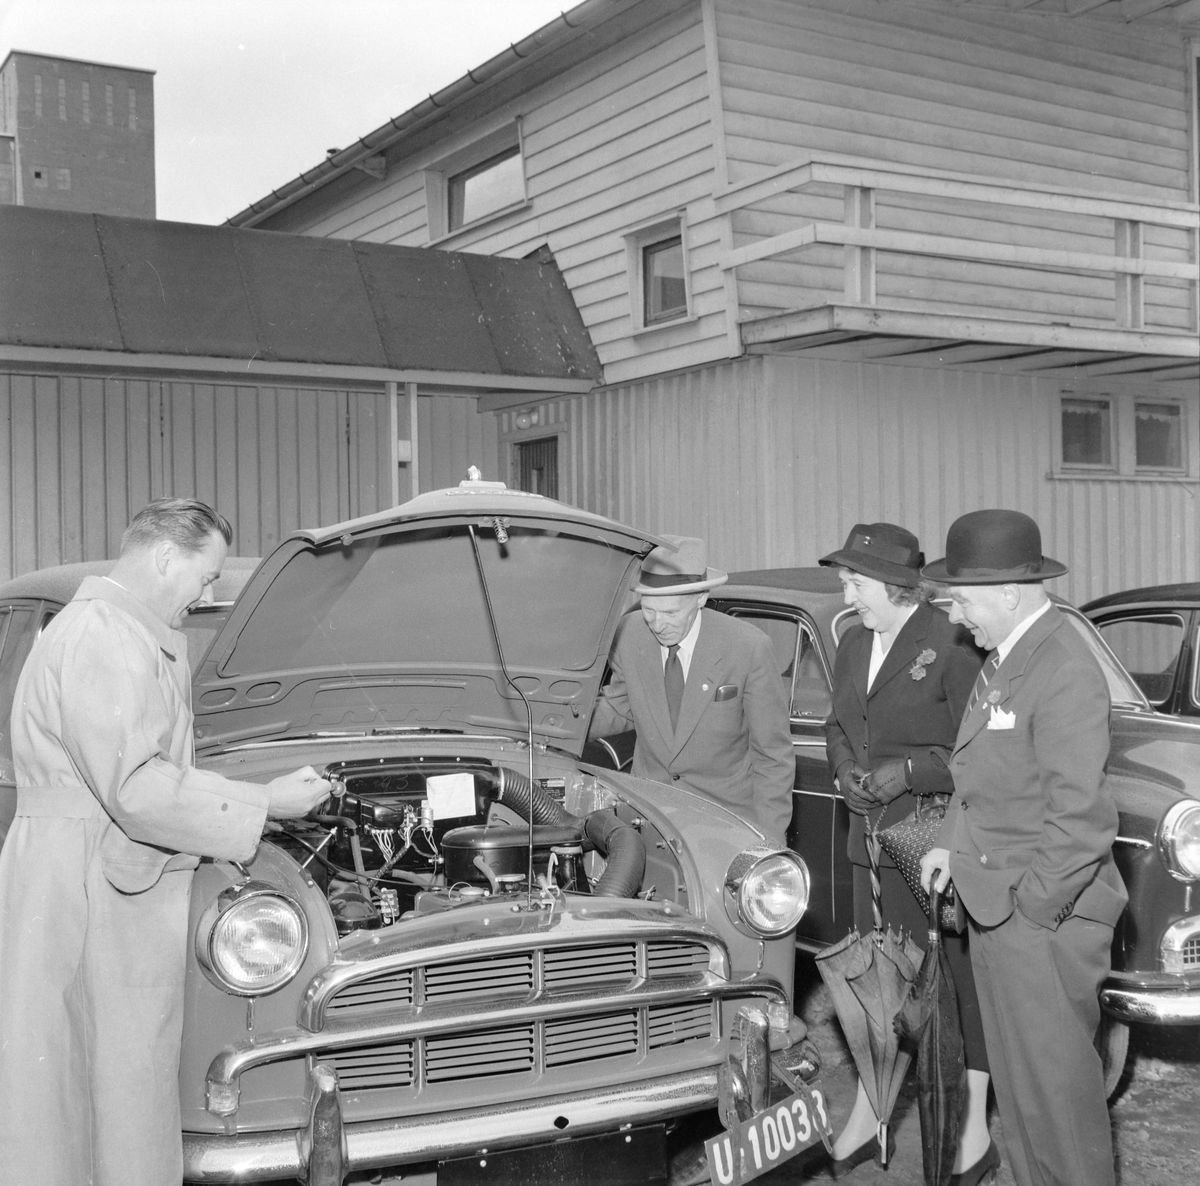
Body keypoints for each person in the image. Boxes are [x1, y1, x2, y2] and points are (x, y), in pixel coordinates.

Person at [0, 499, 332, 1186]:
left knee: (92, 1077)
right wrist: (265, 802)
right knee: (100, 1076)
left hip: (87, 864)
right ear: (164, 556)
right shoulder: (105, 636)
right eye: (204, 576)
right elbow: (137, 788)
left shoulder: (117, 631)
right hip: (89, 878)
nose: (204, 593)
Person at [921, 510, 1127, 1186]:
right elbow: (982, 772)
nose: (958, 618)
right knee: (1022, 1101)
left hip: (1042, 920)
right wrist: (950, 844)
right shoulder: (1008, 656)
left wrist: (1030, 914)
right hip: (1001, 907)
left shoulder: (1060, 664)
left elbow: (1082, 816)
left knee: (1060, 1112)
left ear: (1011, 591)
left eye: (965, 599)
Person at [820, 523, 994, 1182]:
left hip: (932, 847)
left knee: (951, 985)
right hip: (867, 843)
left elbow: (978, 752)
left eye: (854, 581)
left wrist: (910, 772)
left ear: (894, 585)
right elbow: (839, 727)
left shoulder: (950, 642)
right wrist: (844, 772)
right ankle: (871, 1111)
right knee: (875, 987)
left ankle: (974, 1125)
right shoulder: (850, 641)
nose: (847, 592)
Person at [588, 535, 794, 845]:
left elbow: (773, 758)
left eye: (670, 613)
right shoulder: (629, 635)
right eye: (649, 611)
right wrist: (558, 722)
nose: (657, 624)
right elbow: (620, 706)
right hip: (650, 820)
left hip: (724, 825)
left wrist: (768, 845)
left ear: (700, 598)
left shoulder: (747, 648)